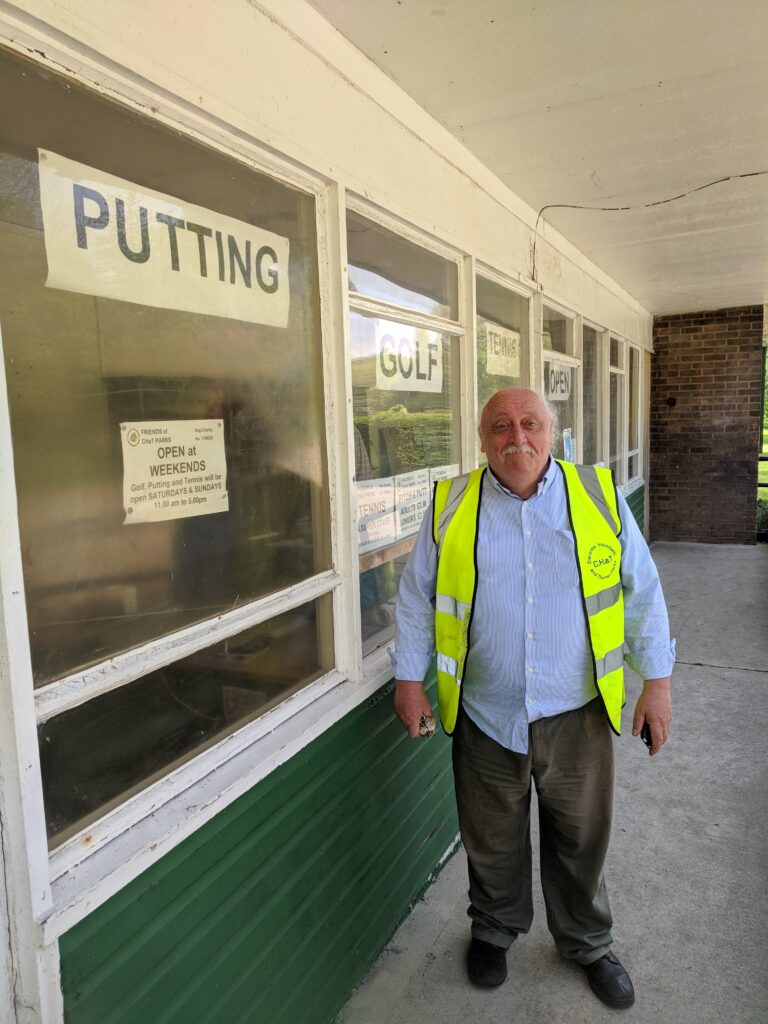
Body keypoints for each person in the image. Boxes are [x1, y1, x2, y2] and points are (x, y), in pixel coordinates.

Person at [392, 386, 674, 1009]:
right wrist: (408, 680)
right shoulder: (449, 505)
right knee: (491, 836)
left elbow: (643, 592)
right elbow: (416, 598)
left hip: (576, 712)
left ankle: (587, 942)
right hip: (485, 712)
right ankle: (493, 931)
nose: (516, 437)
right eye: (500, 426)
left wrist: (656, 683)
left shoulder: (597, 497)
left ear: (552, 433)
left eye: (529, 424)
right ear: (482, 438)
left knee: (582, 836)